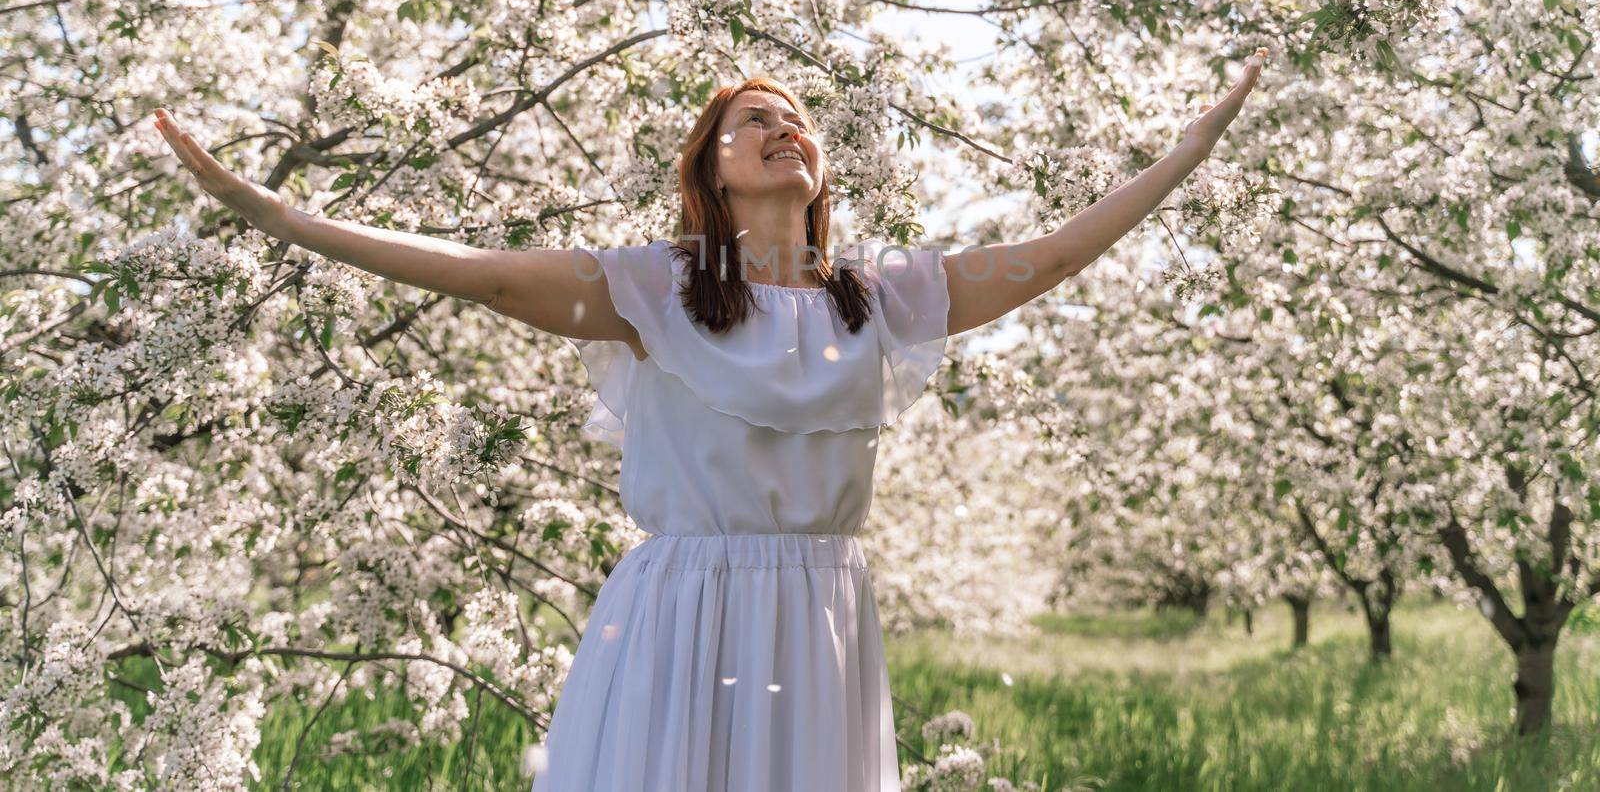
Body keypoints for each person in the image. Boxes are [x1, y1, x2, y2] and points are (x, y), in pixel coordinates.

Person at [151, 49, 1267, 791]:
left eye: (797, 121)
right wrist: (277, 213)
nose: (785, 129)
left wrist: (1182, 156)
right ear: (712, 168)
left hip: (821, 605)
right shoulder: (656, 288)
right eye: (755, 120)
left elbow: (1056, 253)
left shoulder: (882, 297)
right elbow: (481, 274)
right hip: (684, 599)